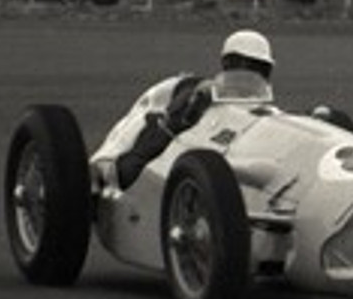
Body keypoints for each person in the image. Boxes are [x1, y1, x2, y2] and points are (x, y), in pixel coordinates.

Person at [113, 29, 275, 188]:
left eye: (257, 67)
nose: (248, 72)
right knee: (134, 162)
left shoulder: (264, 111)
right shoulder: (197, 95)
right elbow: (165, 132)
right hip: (177, 155)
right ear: (227, 64)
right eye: (242, 64)